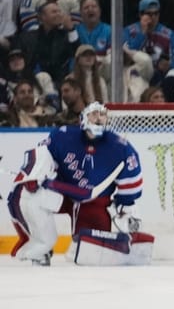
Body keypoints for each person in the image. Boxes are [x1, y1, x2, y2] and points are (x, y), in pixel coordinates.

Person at [6, 102, 145, 266]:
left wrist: (126, 209)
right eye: (94, 114)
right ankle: (39, 248)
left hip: (92, 203)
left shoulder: (120, 148)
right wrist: (34, 174)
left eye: (103, 115)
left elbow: (130, 183)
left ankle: (79, 245)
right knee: (29, 196)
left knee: (90, 255)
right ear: (83, 118)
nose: (99, 118)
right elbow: (41, 154)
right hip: (62, 193)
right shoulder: (63, 136)